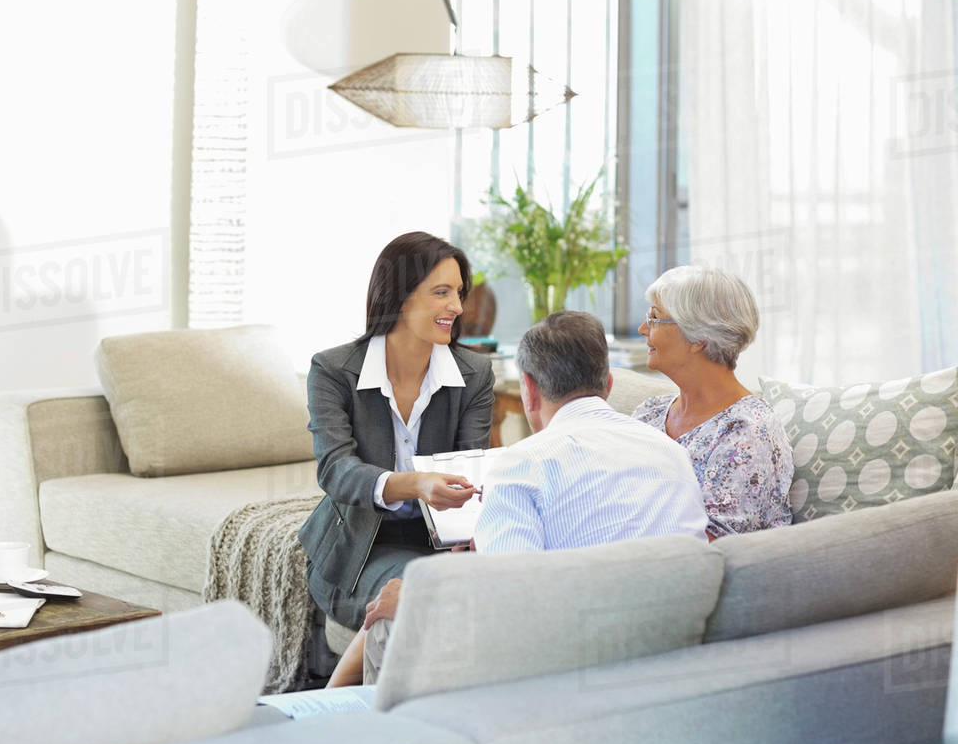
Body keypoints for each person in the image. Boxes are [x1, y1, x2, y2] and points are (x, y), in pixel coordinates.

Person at [357, 311, 710, 682]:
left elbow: (514, 610)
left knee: (391, 614)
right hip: (676, 657)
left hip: (574, 667)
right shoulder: (671, 451)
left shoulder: (522, 464)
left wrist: (421, 598)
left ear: (529, 388)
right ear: (607, 384)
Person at [298, 231, 495, 688]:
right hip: (360, 549)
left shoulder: (475, 374)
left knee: (457, 588)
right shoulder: (333, 371)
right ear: (400, 298)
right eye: (441, 292)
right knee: (421, 590)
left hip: (444, 545)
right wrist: (416, 483)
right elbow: (335, 470)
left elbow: (469, 469)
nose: (458, 307)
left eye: (459, 293)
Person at [632, 266, 793, 539]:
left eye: (655, 318)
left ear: (698, 338)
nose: (642, 329)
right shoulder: (649, 413)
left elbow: (711, 546)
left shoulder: (747, 431)